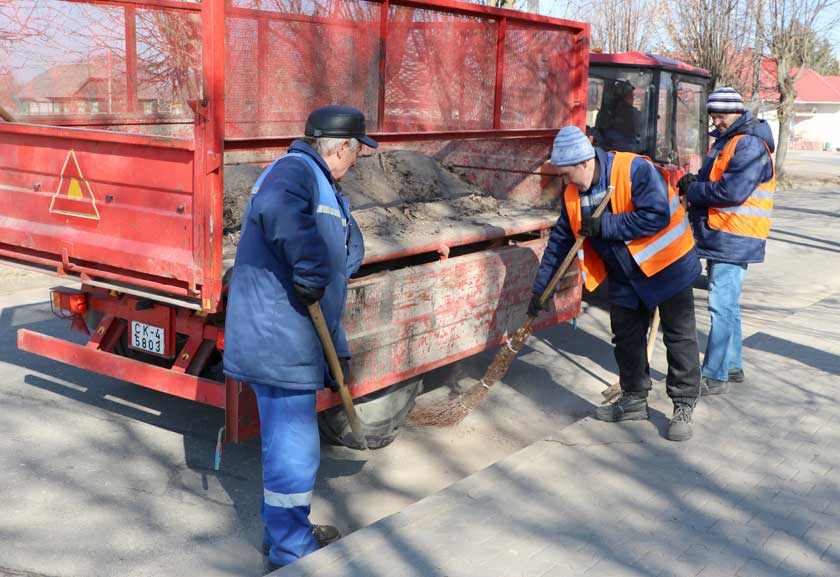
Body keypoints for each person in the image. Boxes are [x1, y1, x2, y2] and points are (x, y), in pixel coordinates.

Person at [223, 105, 376, 571]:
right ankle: (291, 548)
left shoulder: (324, 185)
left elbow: (330, 282)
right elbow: (276, 212)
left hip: (297, 336)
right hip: (279, 338)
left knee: (291, 446)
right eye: (357, 152)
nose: (357, 161)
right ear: (341, 147)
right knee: (294, 447)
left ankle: (284, 533)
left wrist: (340, 352)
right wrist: (311, 266)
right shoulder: (295, 169)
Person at [531, 126, 702, 441]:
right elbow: (559, 244)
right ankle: (634, 398)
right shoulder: (572, 195)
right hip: (624, 272)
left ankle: (683, 403)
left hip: (668, 265)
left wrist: (606, 224)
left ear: (585, 163)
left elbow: (656, 216)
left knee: (679, 338)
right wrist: (541, 290)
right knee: (626, 336)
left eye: (568, 174)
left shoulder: (634, 169)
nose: (566, 181)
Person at [677, 87, 775, 396]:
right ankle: (732, 366)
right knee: (727, 306)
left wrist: (693, 191)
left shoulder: (749, 145)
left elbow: (731, 192)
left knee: (720, 305)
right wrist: (695, 181)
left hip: (735, 234)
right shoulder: (726, 142)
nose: (717, 121)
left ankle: (714, 375)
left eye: (721, 116)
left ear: (737, 113)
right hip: (723, 232)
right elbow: (715, 181)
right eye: (714, 116)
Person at [594, 80, 642, 152]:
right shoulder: (631, 113)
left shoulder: (606, 111)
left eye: (632, 95)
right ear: (622, 97)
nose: (633, 98)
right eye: (630, 95)